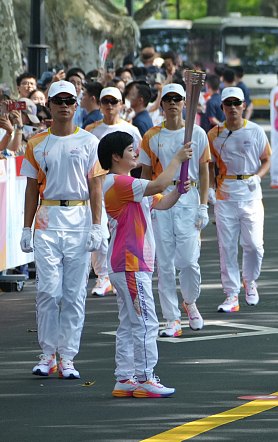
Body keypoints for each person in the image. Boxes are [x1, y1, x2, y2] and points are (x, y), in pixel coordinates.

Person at [21, 80, 105, 379]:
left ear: (77, 104)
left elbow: (96, 187)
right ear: (50, 105)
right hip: (47, 219)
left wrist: (97, 225)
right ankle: (47, 354)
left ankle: (67, 356)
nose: (65, 106)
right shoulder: (36, 143)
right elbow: (31, 189)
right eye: (59, 101)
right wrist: (25, 227)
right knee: (48, 291)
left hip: (80, 220)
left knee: (74, 293)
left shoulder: (90, 143)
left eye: (70, 100)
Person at [101, 131, 193, 399]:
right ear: (116, 156)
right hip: (130, 262)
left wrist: (177, 189)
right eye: (131, 149)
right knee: (146, 323)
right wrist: (176, 158)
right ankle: (145, 378)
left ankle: (125, 379)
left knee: (130, 323)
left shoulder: (131, 184)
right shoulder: (118, 183)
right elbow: (156, 186)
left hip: (131, 263)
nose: (136, 153)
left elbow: (161, 202)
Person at [139, 83, 212, 337]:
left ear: (185, 103)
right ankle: (171, 318)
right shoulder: (151, 136)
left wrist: (203, 205)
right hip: (161, 197)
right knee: (165, 264)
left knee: (189, 261)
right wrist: (146, 205)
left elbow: (204, 171)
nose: (172, 103)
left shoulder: (198, 134)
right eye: (167, 99)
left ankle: (190, 302)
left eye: (177, 99)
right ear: (162, 104)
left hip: (188, 196)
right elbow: (146, 174)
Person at [207, 87, 272, 313]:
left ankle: (250, 281)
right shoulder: (214, 134)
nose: (233, 107)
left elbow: (267, 160)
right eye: (228, 104)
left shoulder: (255, 131)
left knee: (254, 245)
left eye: (237, 103)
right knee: (227, 247)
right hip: (225, 195)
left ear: (244, 105)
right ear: (222, 107)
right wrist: (209, 190)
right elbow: (208, 165)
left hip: (250, 192)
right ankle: (231, 294)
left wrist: (258, 177)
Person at [85, 87, 144, 297]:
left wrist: (135, 186)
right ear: (99, 103)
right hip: (98, 187)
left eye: (114, 101)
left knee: (121, 234)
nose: (109, 105)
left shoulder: (132, 130)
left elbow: (138, 161)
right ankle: (102, 277)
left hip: (122, 189)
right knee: (99, 233)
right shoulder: (91, 129)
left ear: (121, 104)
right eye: (105, 101)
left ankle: (123, 272)